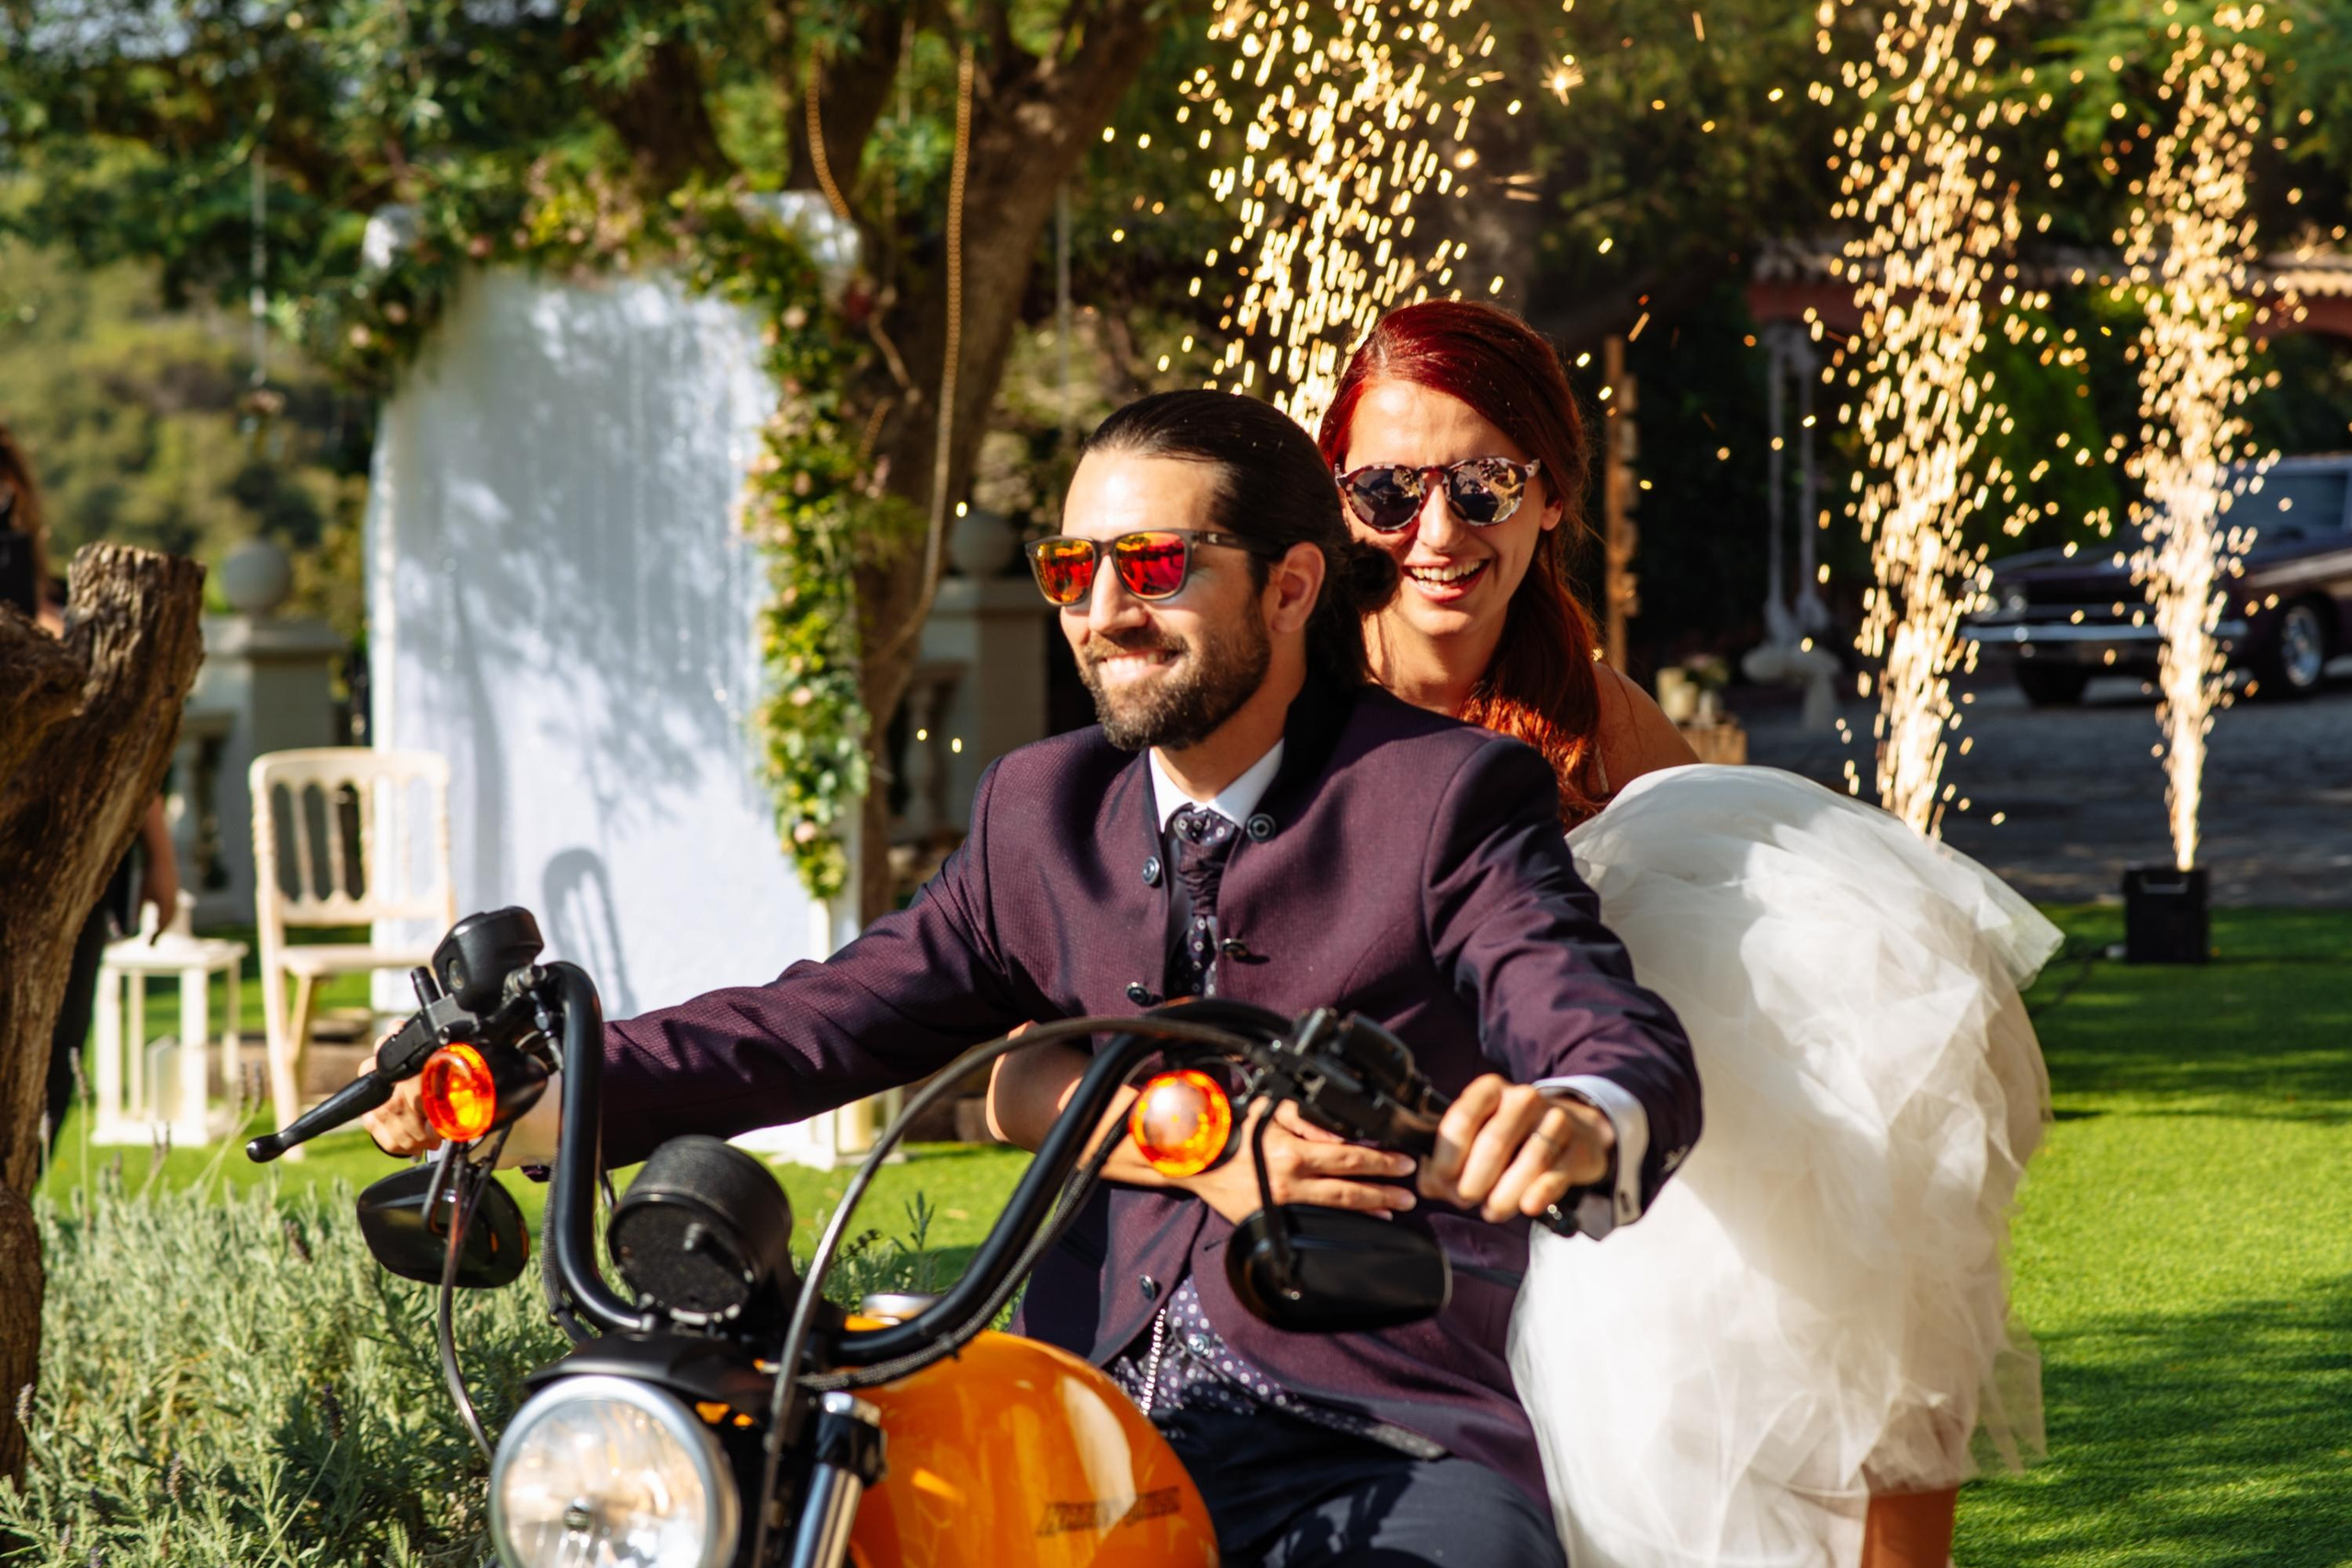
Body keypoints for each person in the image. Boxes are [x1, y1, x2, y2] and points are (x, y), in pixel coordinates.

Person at [363, 388, 1702, 1568]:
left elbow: (1579, 1002)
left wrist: (1584, 1105)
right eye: (1072, 567)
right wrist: (538, 1093)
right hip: (1071, 1435)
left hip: (1377, 1444)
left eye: (1158, 563)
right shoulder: (1037, 808)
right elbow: (816, 1020)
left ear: (1294, 584)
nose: (1105, 610)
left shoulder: (1441, 793)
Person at [990, 300, 2055, 1568]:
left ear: (1551, 497)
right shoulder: (1270, 713)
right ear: (1331, 513)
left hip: (1547, 1214)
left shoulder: (1606, 732)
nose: (1435, 533)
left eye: (1485, 485)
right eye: (1384, 492)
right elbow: (1025, 1068)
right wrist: (1203, 1137)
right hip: (1299, 1271)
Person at [2, 423, 180, 1151]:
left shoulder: (59, 610)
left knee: (49, 1070)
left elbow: (121, 744)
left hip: (72, 857)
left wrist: (162, 859)